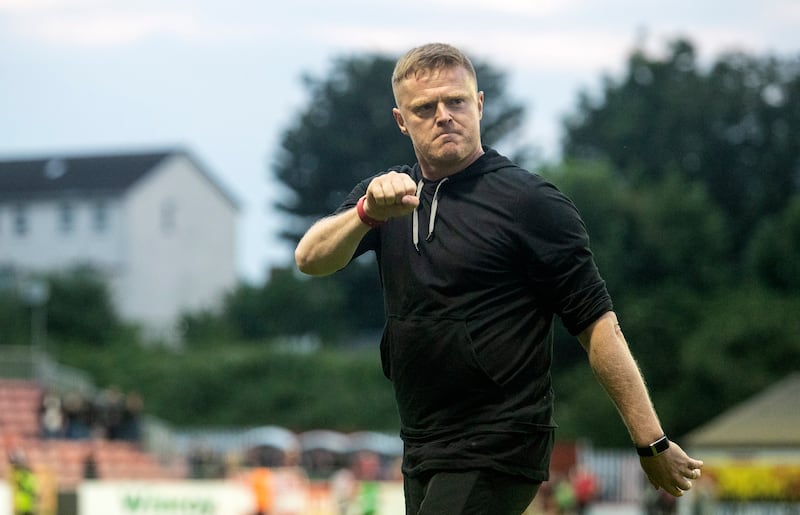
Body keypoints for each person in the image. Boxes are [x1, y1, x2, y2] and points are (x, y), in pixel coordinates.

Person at [295, 42, 704, 514]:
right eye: (425, 108)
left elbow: (599, 328)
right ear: (401, 121)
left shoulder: (529, 203)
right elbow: (310, 259)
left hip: (501, 439)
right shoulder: (388, 198)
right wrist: (365, 212)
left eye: (457, 102)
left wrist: (651, 442)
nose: (444, 116)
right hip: (423, 440)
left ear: (480, 104)